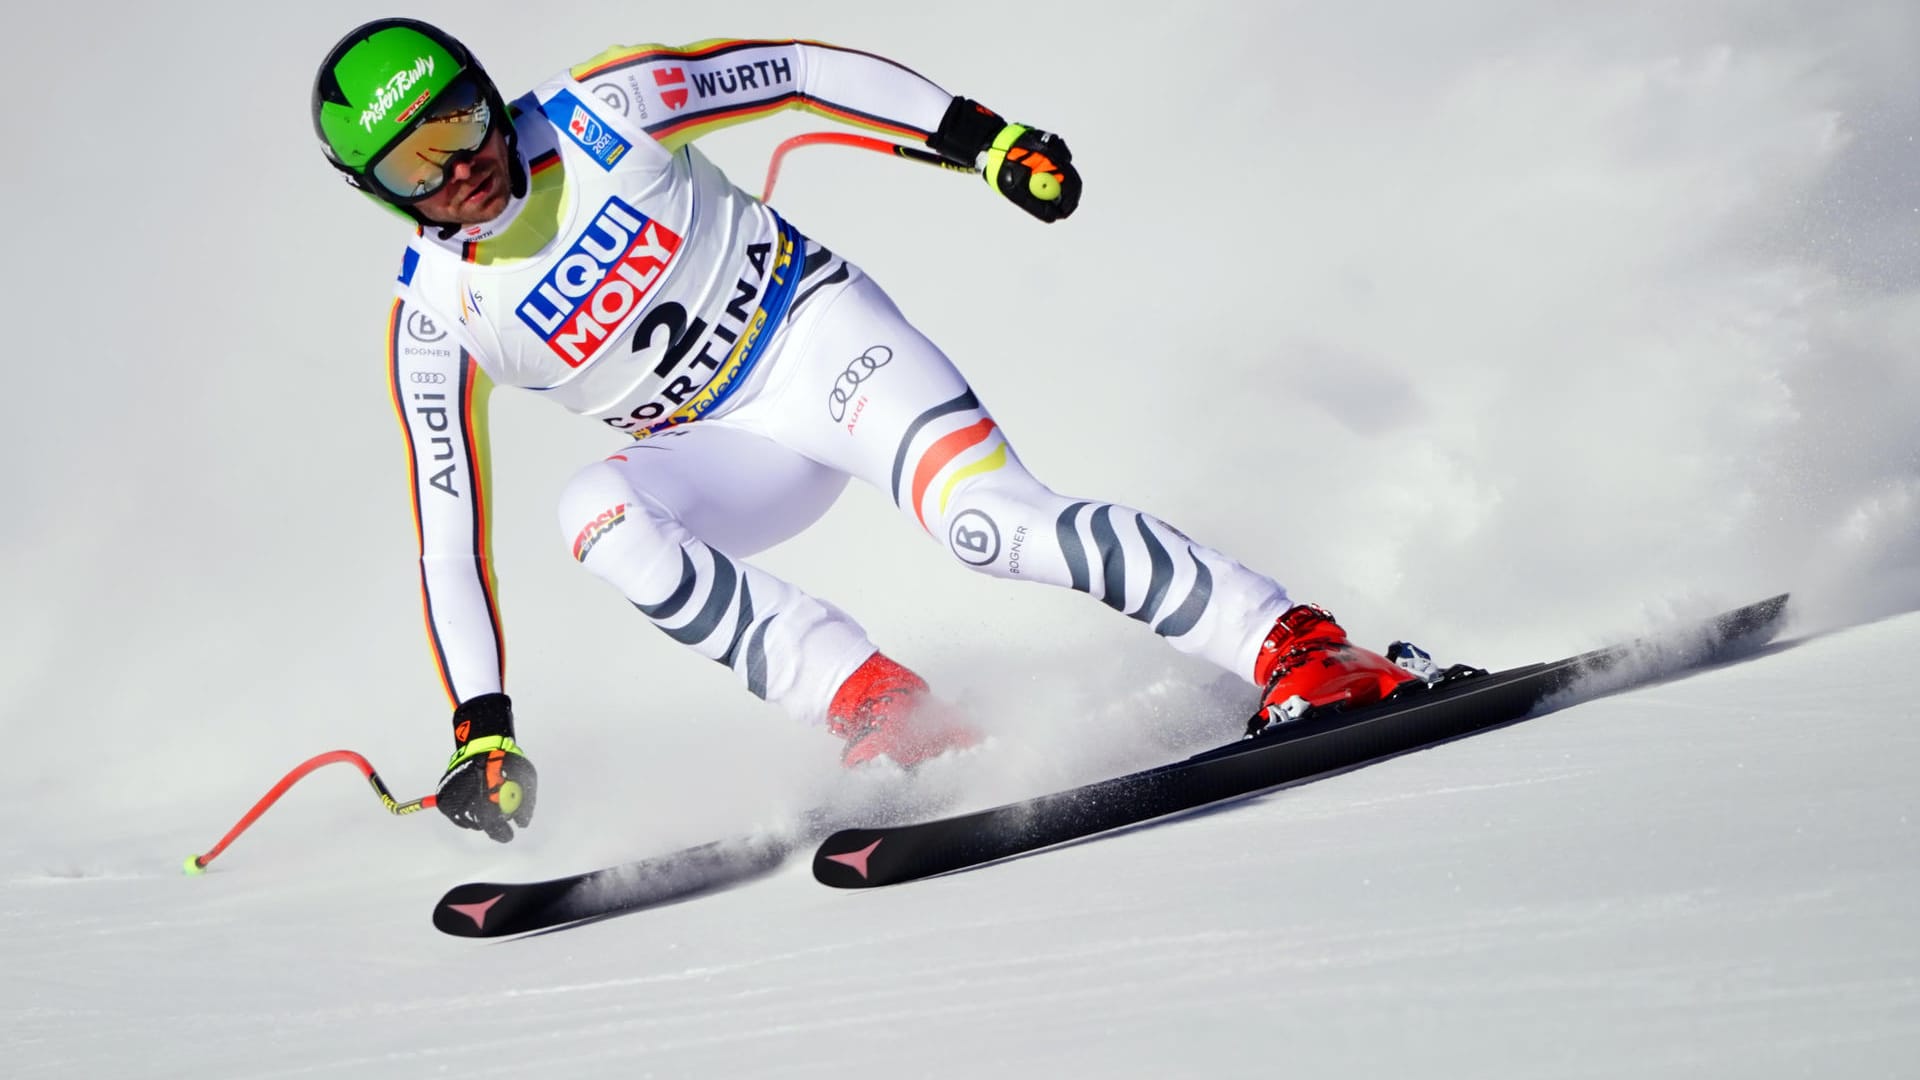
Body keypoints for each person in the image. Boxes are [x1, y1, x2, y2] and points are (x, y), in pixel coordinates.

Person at [311, 19, 1443, 843]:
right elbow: (446, 538)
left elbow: (796, 74)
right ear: (378, 190)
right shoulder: (431, 323)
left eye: (460, 116)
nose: (463, 162)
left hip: (822, 346)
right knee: (592, 513)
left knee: (990, 528)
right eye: (418, 159)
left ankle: (1295, 646)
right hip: (728, 447)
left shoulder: (601, 106)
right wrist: (483, 727)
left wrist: (985, 140)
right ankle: (890, 716)